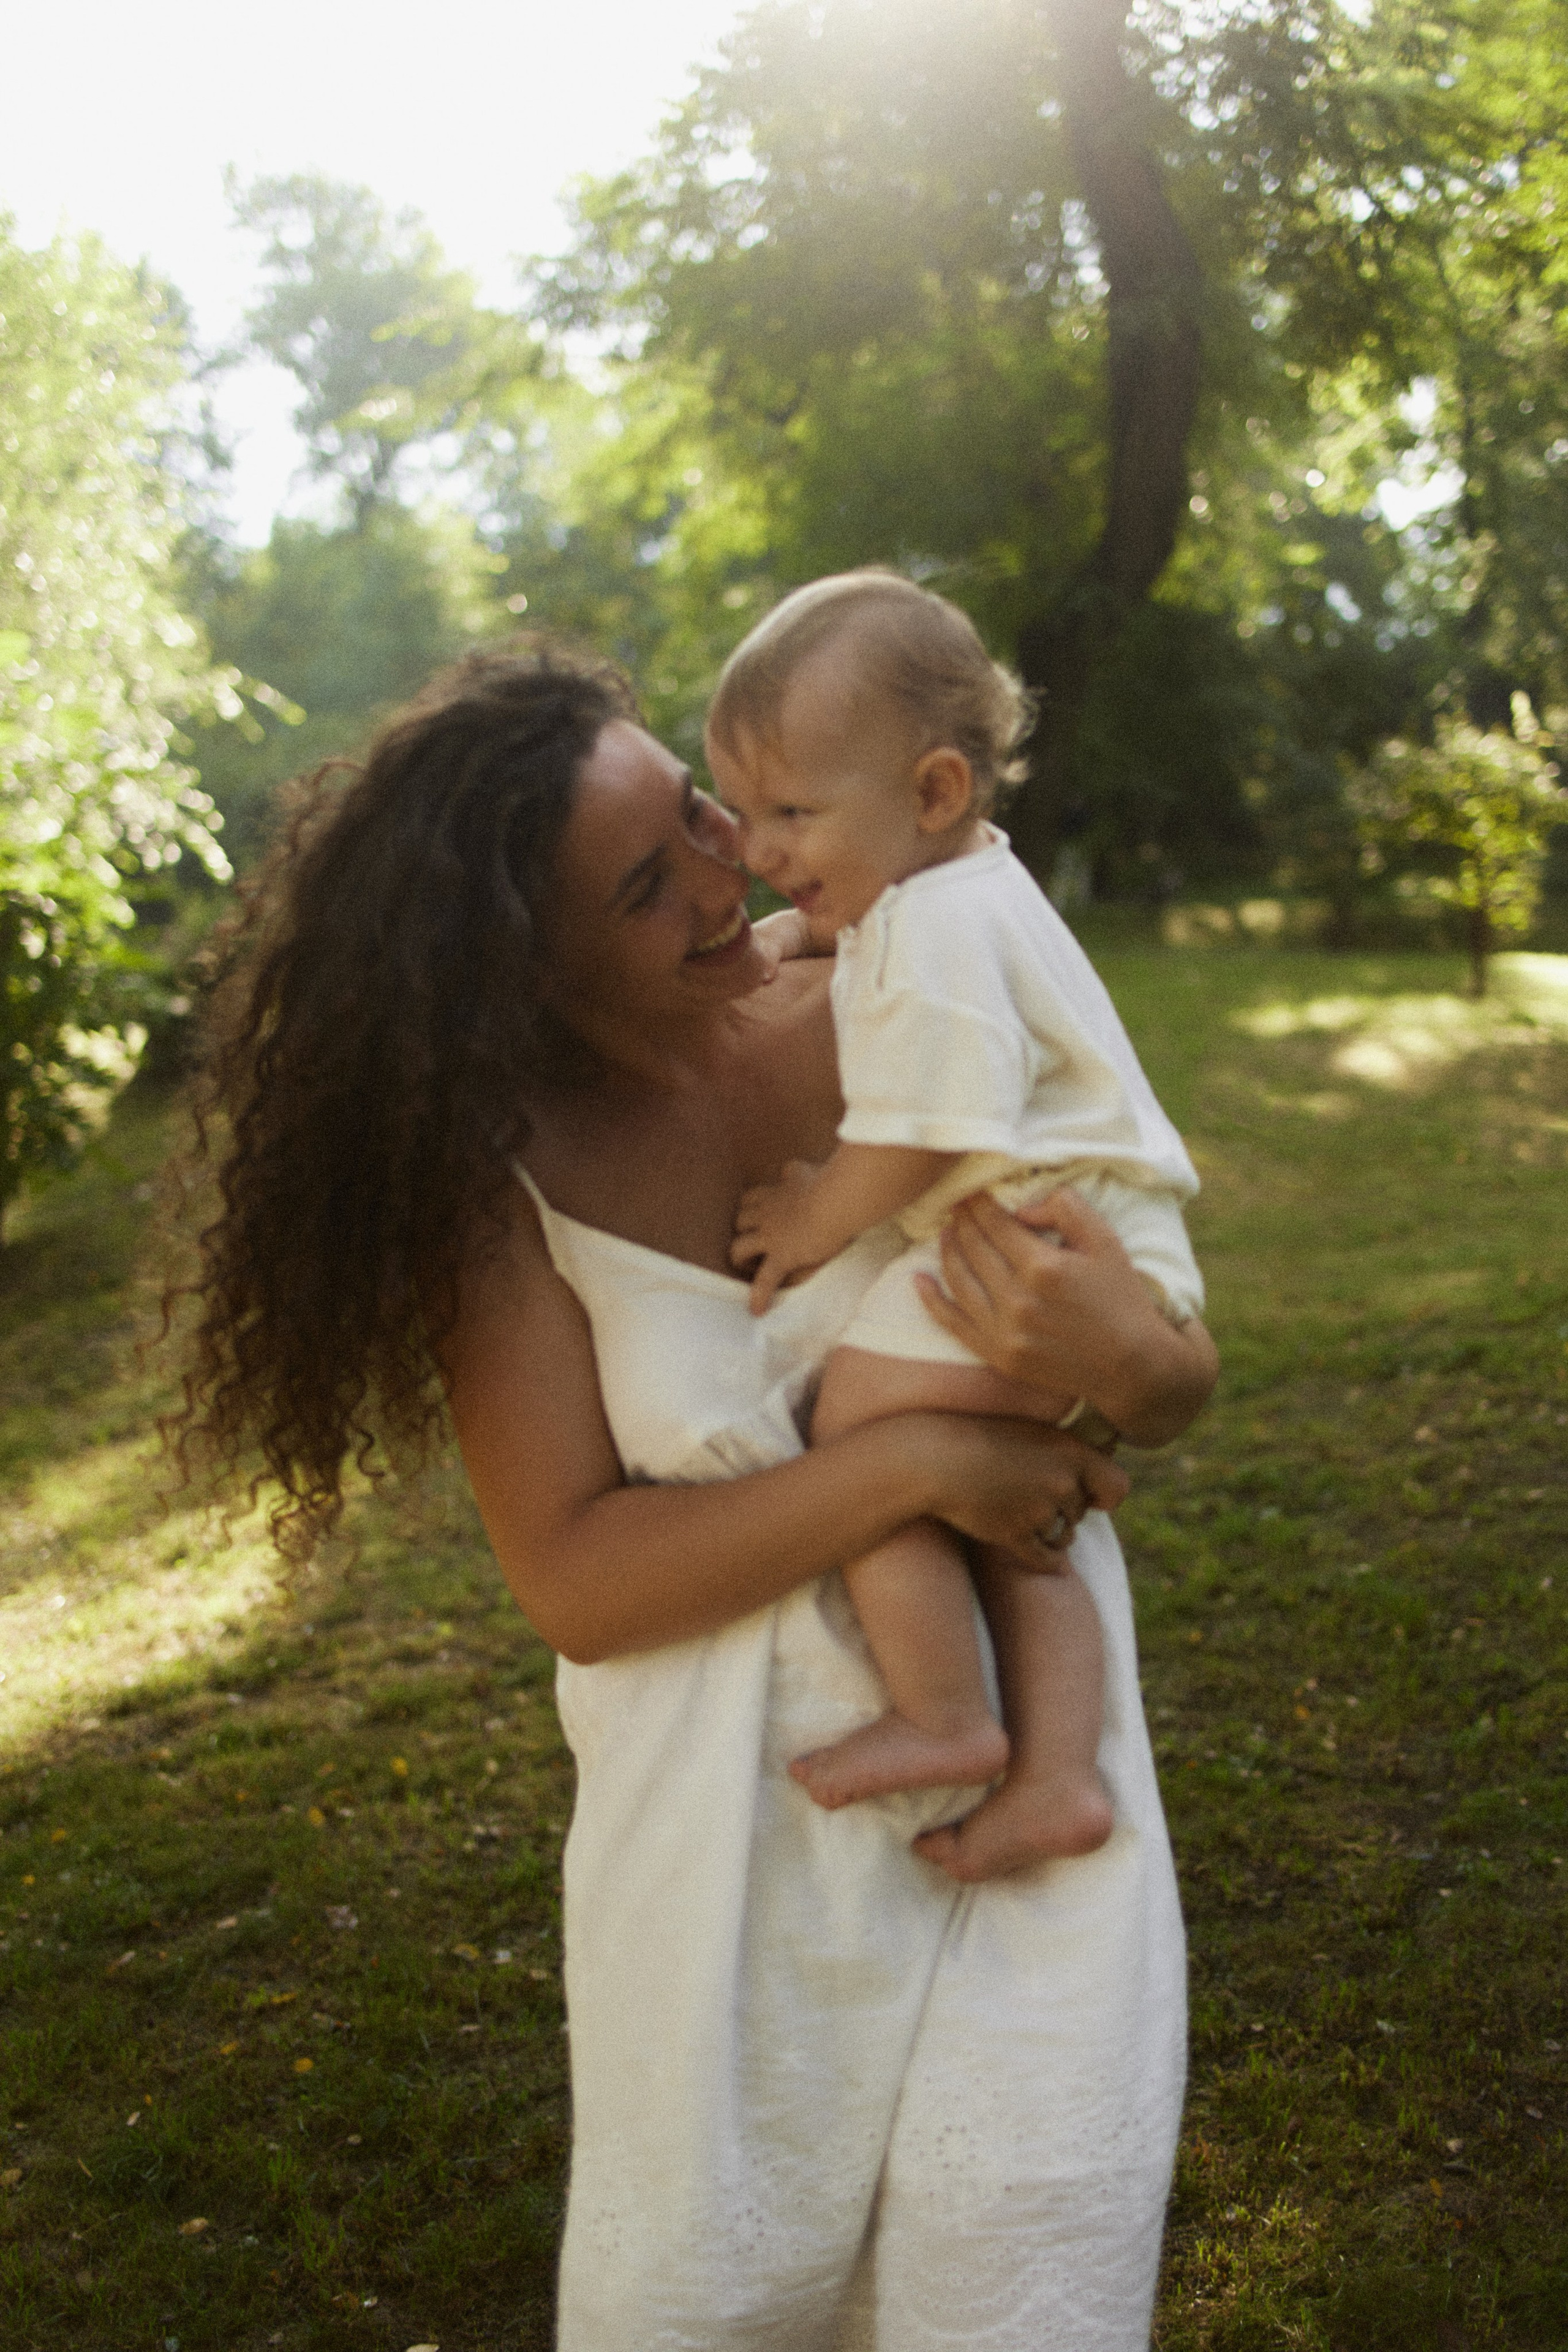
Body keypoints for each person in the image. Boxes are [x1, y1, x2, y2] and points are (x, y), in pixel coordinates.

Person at [175, 638, 1218, 2351]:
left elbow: (1147, 1344)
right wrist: (916, 1463)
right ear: (522, 966)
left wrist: (1162, 1375)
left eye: (701, 810)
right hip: (742, 1861)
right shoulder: (492, 1180)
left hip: (1039, 1782)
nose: (731, 867)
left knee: (1028, 2289)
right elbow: (577, 1577)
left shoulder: (900, 986)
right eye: (649, 886)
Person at [706, 571, 1209, 1879]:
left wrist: (813, 1217)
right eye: (747, 813)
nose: (759, 850)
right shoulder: (943, 891)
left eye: (791, 814)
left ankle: (943, 1716)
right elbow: (868, 946)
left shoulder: (931, 931)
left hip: (1032, 1253)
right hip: (1095, 1245)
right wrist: (806, 934)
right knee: (1010, 1536)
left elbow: (922, 1129)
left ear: (931, 795)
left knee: (857, 1437)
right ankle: (1056, 1781)